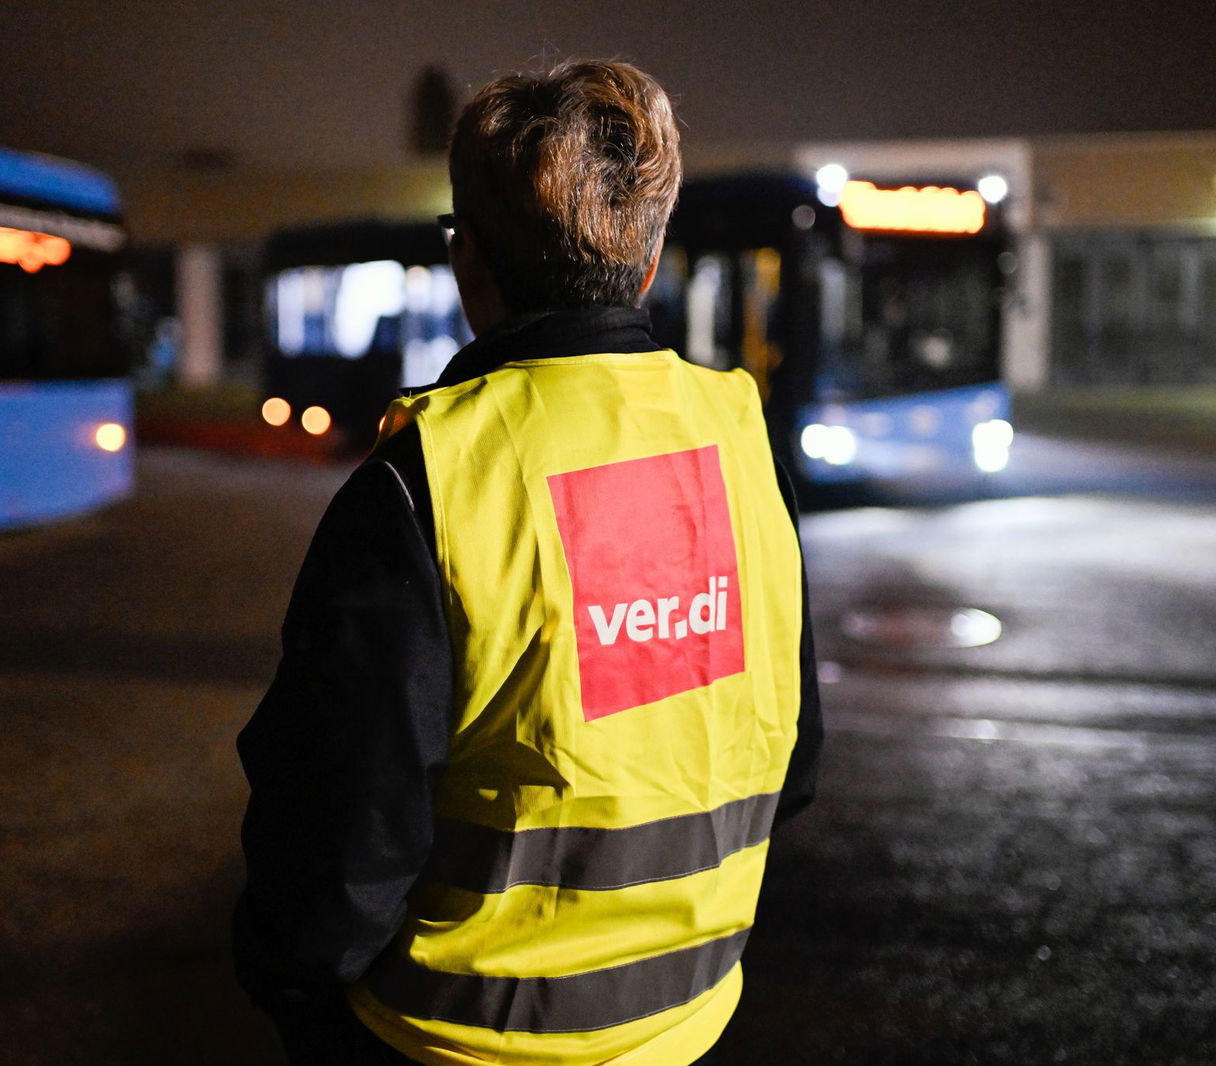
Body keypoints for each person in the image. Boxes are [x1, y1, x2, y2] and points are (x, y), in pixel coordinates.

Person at [235, 58, 821, 1066]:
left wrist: (293, 986)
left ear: (470, 267)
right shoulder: (740, 438)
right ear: (646, 261)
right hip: (686, 1027)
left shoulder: (426, 480)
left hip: (448, 1042)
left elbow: (338, 843)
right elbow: (796, 762)